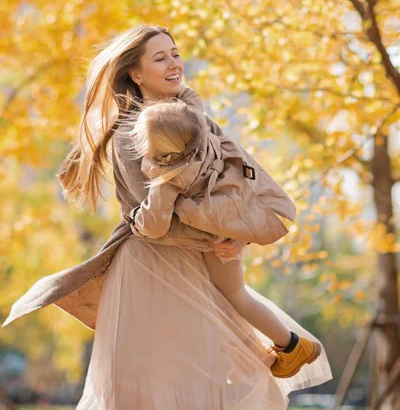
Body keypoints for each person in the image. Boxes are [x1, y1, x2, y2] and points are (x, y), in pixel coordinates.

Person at [2, 25, 332, 409]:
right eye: (160, 58)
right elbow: (158, 221)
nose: (174, 63)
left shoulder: (199, 120)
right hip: (152, 270)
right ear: (136, 74)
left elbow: (231, 185)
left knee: (217, 382)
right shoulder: (129, 137)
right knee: (156, 388)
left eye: (175, 53)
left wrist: (238, 234)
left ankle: (286, 348)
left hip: (197, 264)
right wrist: (216, 235)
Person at [121, 93, 321, 379]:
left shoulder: (168, 177)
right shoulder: (199, 134)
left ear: (158, 149)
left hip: (217, 243)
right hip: (231, 221)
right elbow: (192, 101)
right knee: (224, 299)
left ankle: (291, 345)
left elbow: (154, 224)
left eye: (139, 137)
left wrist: (134, 219)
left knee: (233, 298)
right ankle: (254, 356)